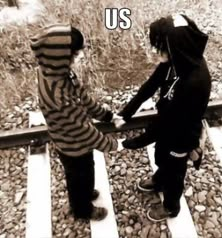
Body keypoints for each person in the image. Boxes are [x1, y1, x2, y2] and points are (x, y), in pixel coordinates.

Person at [118, 14, 211, 222]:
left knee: (175, 173)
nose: (154, 50)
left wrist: (134, 142)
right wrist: (126, 113)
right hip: (169, 125)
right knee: (162, 156)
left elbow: (166, 123)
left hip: (182, 136)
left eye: (158, 46)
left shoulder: (194, 82)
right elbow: (149, 87)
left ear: (174, 46)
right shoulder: (176, 59)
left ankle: (171, 206)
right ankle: (159, 180)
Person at [30, 24, 122, 221]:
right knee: (79, 178)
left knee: (84, 175)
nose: (80, 56)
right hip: (72, 146)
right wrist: (112, 145)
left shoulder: (58, 71)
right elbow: (82, 130)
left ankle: (85, 193)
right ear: (61, 56)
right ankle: (82, 210)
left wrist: (105, 115)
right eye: (76, 53)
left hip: (72, 140)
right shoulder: (57, 95)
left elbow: (81, 96)